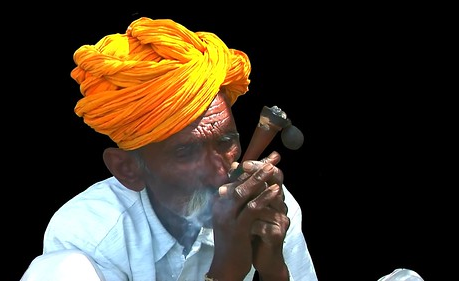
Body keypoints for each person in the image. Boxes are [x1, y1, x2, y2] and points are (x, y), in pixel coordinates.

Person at [22, 17, 318, 281]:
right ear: (128, 169)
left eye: (227, 142)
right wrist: (227, 272)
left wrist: (274, 270)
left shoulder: (264, 206)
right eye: (186, 152)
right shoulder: (88, 233)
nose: (219, 172)